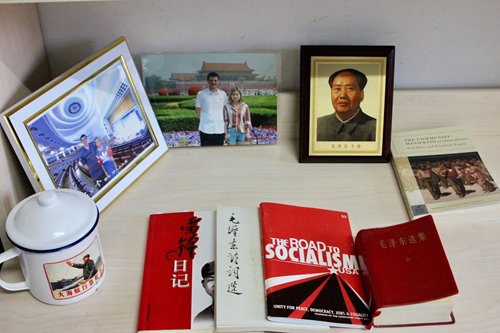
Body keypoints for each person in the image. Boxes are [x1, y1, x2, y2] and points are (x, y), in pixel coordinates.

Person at [317, 68, 376, 141]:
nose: (342, 95)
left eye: (350, 89)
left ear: (361, 95)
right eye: (337, 89)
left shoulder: (375, 128)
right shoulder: (318, 125)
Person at [195, 72, 228, 146]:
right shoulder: (201, 94)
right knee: (206, 153)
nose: (213, 82)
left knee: (219, 153)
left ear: (218, 81)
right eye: (211, 80)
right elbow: (197, 109)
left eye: (215, 80)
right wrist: (204, 120)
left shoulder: (223, 94)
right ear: (207, 81)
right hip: (205, 129)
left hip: (219, 129)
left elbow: (226, 110)